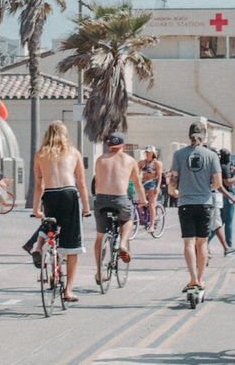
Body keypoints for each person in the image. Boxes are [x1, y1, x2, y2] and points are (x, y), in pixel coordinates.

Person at [29, 120, 91, 302]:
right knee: (73, 247)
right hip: (68, 194)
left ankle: (39, 246)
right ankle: (68, 291)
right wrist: (86, 208)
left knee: (49, 224)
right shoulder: (73, 153)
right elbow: (81, 183)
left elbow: (38, 186)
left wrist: (35, 209)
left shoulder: (40, 154)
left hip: (50, 195)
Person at [169, 121, 222, 295]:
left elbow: (173, 179)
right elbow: (218, 182)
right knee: (203, 242)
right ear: (204, 136)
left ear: (189, 136)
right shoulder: (211, 155)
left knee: (189, 242)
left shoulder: (179, 154)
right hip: (205, 203)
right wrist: (207, 189)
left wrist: (173, 191)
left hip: (186, 202)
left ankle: (192, 279)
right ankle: (201, 279)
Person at [93, 132, 142, 283]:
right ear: (124, 146)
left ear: (109, 145)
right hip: (120, 199)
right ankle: (122, 243)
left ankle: (99, 272)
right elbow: (137, 183)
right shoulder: (129, 160)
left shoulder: (100, 159)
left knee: (100, 236)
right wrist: (143, 200)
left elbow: (96, 182)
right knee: (128, 220)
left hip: (101, 199)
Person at [218, 149, 235, 253]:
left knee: (220, 222)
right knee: (228, 222)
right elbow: (227, 182)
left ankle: (208, 241)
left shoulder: (220, 166)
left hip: (223, 196)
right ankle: (229, 245)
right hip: (228, 196)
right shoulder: (224, 167)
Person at [138, 145, 162, 232]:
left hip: (152, 183)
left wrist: (158, 187)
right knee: (139, 202)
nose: (147, 153)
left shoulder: (156, 163)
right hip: (144, 183)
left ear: (153, 153)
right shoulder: (141, 163)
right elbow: (136, 173)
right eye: (146, 152)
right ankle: (144, 214)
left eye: (149, 152)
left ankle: (152, 225)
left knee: (151, 204)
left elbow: (159, 176)